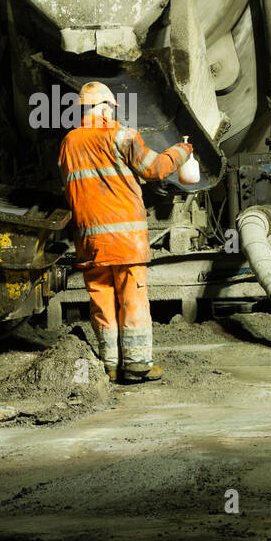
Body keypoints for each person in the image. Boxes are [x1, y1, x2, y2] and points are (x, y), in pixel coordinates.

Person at [57, 81, 193, 383]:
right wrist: (181, 152)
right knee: (133, 298)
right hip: (126, 238)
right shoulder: (123, 136)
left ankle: (111, 365)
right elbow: (155, 169)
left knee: (102, 301)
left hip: (90, 240)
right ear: (106, 107)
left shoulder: (69, 142)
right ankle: (138, 364)